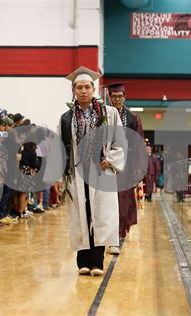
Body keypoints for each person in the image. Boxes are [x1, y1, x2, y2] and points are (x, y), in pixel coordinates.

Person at [60, 66, 127, 277]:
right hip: (77, 173)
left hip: (101, 171)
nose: (83, 91)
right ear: (73, 90)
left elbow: (121, 142)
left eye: (87, 87)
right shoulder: (66, 118)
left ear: (94, 88)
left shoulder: (110, 113)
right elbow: (61, 148)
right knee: (81, 216)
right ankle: (83, 263)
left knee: (101, 215)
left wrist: (110, 159)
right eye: (78, 87)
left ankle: (97, 261)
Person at [107, 81, 144, 254]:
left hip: (126, 165)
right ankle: (110, 233)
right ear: (109, 97)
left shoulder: (133, 117)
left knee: (123, 198)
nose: (117, 100)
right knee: (108, 199)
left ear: (125, 97)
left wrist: (138, 168)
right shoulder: (103, 116)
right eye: (114, 97)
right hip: (107, 163)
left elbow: (138, 144)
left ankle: (119, 232)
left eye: (120, 97)